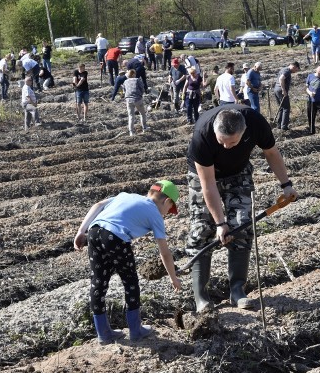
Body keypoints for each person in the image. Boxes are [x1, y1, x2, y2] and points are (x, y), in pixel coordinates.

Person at [186, 105, 298, 312]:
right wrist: (220, 223)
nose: (227, 147)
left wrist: (286, 184)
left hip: (238, 174)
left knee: (242, 226)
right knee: (202, 230)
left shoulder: (255, 123)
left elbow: (271, 152)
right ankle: (201, 296)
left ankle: (237, 290)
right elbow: (209, 186)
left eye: (233, 142)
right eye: (222, 142)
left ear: (244, 132)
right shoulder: (202, 134)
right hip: (204, 177)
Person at [73, 180, 182, 343]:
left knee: (98, 282)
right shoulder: (154, 213)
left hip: (94, 232)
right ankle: (136, 330)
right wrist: (173, 278)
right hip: (115, 238)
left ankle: (103, 334)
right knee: (130, 281)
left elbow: (98, 204)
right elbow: (164, 253)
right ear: (166, 201)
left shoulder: (126, 196)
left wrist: (81, 231)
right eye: (169, 209)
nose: (166, 214)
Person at [273, 62, 301, 130]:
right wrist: (283, 90)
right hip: (281, 90)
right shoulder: (287, 71)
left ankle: (279, 125)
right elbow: (281, 79)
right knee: (286, 108)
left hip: (276, 89)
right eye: (296, 69)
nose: (296, 71)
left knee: (281, 108)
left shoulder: (283, 69)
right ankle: (284, 127)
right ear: (294, 66)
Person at [123, 69, 149, 136]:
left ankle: (131, 132)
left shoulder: (125, 81)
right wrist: (140, 94)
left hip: (128, 100)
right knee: (142, 114)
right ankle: (144, 127)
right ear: (133, 74)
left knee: (131, 116)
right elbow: (142, 88)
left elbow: (124, 91)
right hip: (137, 99)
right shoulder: (137, 80)